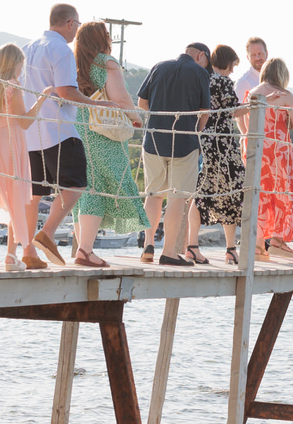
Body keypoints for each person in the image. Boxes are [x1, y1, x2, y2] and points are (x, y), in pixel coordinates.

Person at [23, 3, 115, 267]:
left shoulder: (27, 48)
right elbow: (66, 91)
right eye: (77, 25)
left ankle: (29, 251)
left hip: (30, 131)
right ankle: (47, 232)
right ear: (70, 23)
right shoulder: (60, 49)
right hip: (58, 128)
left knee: (33, 194)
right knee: (76, 184)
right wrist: (97, 104)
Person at [71, 22, 149, 267]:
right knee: (100, 185)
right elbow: (121, 97)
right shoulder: (106, 62)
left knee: (84, 185)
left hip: (79, 128)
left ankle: (82, 248)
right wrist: (136, 118)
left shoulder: (74, 63)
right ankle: (85, 250)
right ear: (101, 39)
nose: (110, 39)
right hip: (103, 131)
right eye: (107, 35)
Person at [137, 42, 212, 266]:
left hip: (154, 140)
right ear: (201, 56)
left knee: (153, 195)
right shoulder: (200, 73)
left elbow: (142, 102)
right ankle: (169, 251)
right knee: (177, 198)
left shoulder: (159, 67)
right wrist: (196, 132)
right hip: (184, 143)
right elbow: (205, 112)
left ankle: (148, 245)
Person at [0, 43, 53, 271]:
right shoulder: (13, 86)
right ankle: (10, 256)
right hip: (11, 144)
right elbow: (24, 122)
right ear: (15, 63)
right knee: (16, 197)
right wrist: (41, 100)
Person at [247, 58, 293, 258]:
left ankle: (258, 246)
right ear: (282, 74)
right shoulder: (286, 95)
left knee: (260, 193)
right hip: (278, 150)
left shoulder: (253, 93)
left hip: (258, 148)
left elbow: (246, 122)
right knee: (282, 192)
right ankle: (277, 240)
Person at [189, 44, 249, 265]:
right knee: (231, 192)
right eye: (233, 65)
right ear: (227, 62)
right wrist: (255, 105)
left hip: (205, 141)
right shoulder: (223, 81)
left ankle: (192, 245)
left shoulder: (203, 79)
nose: (233, 70)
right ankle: (230, 249)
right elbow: (233, 111)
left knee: (202, 192)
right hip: (223, 145)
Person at [233, 36, 268, 105]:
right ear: (248, 57)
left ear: (267, 53)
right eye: (253, 55)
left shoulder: (274, 77)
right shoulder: (243, 82)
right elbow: (238, 110)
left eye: (260, 53)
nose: (257, 58)